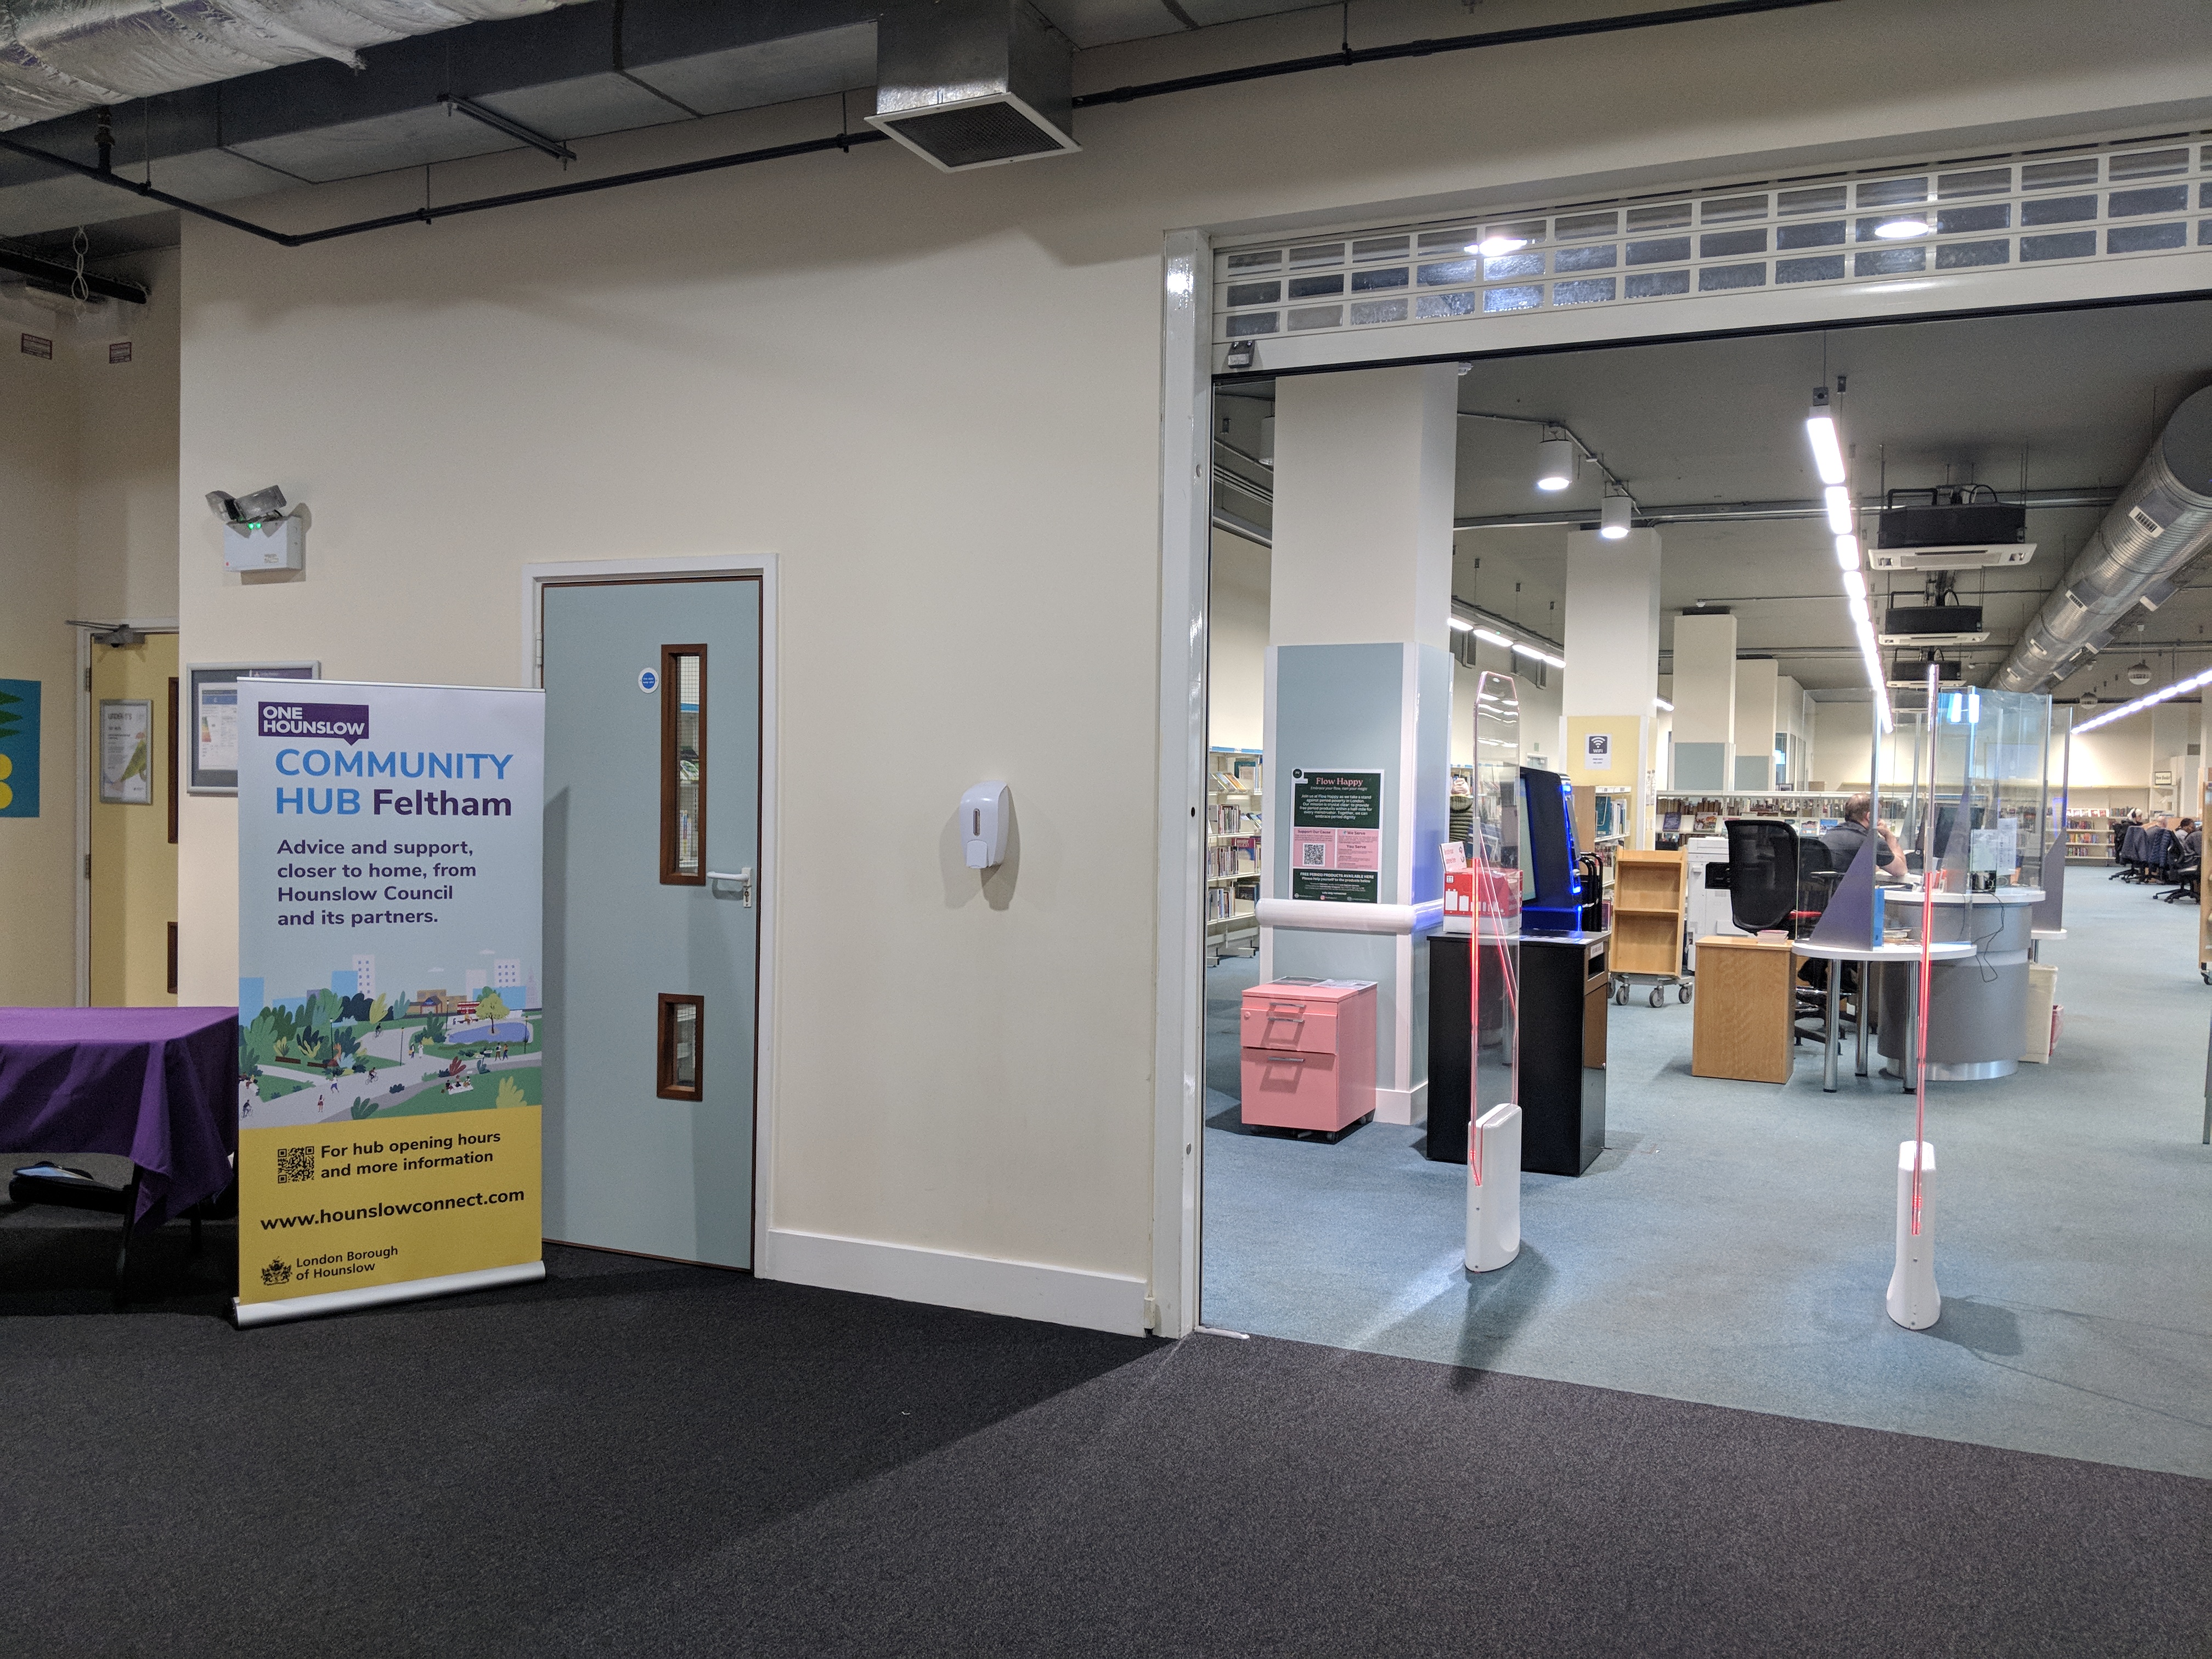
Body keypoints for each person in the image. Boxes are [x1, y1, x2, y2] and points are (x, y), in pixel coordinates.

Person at [1822, 793, 1902, 877]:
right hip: (1849, 889)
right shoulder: (1871, 842)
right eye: (1878, 817)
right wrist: (1889, 835)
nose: (1880, 820)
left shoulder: (1831, 834)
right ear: (1870, 817)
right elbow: (1901, 870)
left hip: (1828, 888)